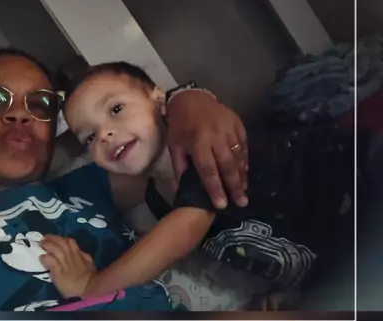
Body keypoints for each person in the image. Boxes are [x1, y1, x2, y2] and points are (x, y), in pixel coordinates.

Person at [0, 48, 249, 315]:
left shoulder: (83, 187)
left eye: (40, 105)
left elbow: (160, 141)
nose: (19, 114)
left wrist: (189, 100)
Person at [45, 62, 355, 304]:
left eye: (116, 110)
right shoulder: (156, 199)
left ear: (159, 100)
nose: (104, 135)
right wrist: (290, 288)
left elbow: (183, 230)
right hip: (340, 256)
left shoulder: (200, 151)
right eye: (89, 137)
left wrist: (91, 286)